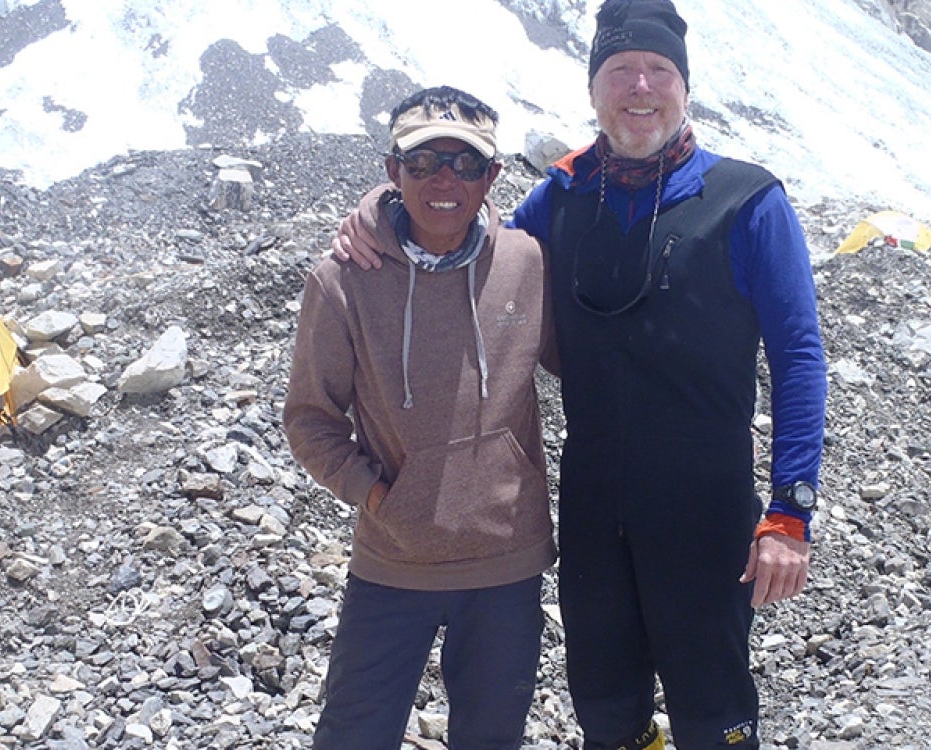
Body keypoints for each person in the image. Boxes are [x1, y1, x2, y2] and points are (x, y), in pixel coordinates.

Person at [333, 1, 827, 745]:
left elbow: (798, 356)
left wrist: (790, 513)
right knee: (604, 708)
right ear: (594, 91)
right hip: (594, 510)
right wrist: (380, 208)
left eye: (659, 71)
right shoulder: (563, 197)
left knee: (712, 711)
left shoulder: (748, 201)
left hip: (706, 510)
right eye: (620, 71)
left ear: (684, 88)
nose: (640, 88)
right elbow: (464, 234)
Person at [283, 85, 557, 749]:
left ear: (492, 176)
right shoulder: (343, 278)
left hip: (505, 565)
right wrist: (378, 497)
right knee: (352, 735)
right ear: (391, 171)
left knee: (491, 739)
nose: (444, 180)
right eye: (423, 162)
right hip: (393, 560)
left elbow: (589, 369)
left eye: (466, 164)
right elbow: (310, 420)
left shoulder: (526, 263)